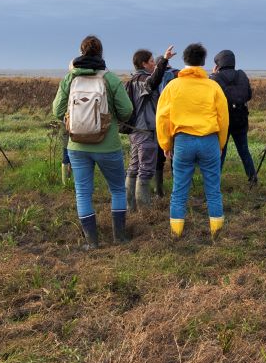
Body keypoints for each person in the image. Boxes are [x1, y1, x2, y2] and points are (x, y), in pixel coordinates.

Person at [51, 35, 134, 249]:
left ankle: (92, 241)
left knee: (83, 192)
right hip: (108, 145)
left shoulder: (69, 79)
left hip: (77, 146)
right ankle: (119, 237)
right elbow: (126, 111)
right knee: (117, 189)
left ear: (81, 51)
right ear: (101, 53)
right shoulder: (110, 78)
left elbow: (57, 111)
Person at [156, 43, 229, 240]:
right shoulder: (213, 86)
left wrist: (165, 144)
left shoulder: (173, 86)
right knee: (213, 190)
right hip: (209, 141)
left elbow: (162, 117)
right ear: (204, 62)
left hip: (182, 142)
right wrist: (220, 144)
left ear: (184, 60)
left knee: (179, 191)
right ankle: (217, 235)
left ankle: (176, 235)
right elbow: (223, 118)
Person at [124, 45, 175, 209]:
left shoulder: (130, 82)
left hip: (134, 131)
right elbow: (154, 80)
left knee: (133, 168)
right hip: (146, 131)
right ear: (144, 64)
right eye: (152, 61)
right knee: (145, 171)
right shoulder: (143, 82)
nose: (154, 64)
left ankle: (130, 208)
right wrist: (164, 60)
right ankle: (144, 211)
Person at [210, 49, 257, 185]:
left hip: (223, 121)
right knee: (244, 150)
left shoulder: (215, 78)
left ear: (219, 63)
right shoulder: (241, 75)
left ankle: (215, 182)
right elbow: (248, 95)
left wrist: (213, 75)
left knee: (220, 152)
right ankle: (252, 178)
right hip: (241, 119)